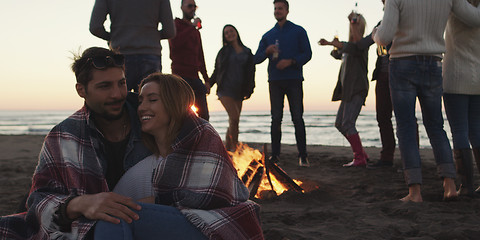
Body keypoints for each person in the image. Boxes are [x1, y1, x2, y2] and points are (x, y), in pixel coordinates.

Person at [0, 47, 151, 239]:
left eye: (121, 83)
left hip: (150, 219)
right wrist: (80, 204)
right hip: (90, 227)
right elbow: (37, 201)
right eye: (105, 86)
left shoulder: (153, 118)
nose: (117, 94)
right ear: (81, 90)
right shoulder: (63, 135)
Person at [94, 73, 264, 239]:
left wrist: (154, 201)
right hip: (178, 222)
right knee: (112, 217)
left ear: (173, 103)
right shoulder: (146, 165)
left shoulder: (201, 134)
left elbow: (214, 196)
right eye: (140, 101)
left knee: (113, 220)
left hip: (214, 224)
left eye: (152, 100)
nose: (142, 107)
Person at [374, 0, 480, 202]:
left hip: (403, 62)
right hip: (433, 63)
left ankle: (415, 191)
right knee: (435, 126)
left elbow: (384, 37)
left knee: (405, 126)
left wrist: (375, 34)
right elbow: (475, 18)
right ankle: (449, 185)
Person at [254, 0, 312, 167]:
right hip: (275, 81)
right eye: (275, 8)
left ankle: (303, 156)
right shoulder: (268, 35)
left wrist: (291, 61)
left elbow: (308, 54)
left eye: (280, 8)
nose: (277, 11)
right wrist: (266, 51)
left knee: (297, 118)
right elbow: (256, 59)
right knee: (276, 119)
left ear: (287, 10)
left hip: (294, 80)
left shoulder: (298, 31)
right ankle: (275, 156)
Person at [319, 12, 370, 167]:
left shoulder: (360, 46)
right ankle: (361, 154)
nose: (352, 26)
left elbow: (349, 47)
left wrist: (332, 43)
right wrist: (334, 45)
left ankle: (359, 157)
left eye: (354, 24)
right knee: (340, 124)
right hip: (348, 91)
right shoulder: (348, 47)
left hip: (357, 89)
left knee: (348, 123)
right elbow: (336, 53)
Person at [90, 0, 175, 92]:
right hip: (150, 54)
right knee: (150, 99)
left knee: (120, 100)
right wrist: (151, 36)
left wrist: (113, 37)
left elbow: (95, 27)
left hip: (121, 55)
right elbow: (169, 31)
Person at [443, 0, 480, 197]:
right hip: (478, 78)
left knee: (459, 130)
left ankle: (466, 185)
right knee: (476, 129)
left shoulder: (455, 5)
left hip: (455, 76)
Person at [210, 24, 256, 151]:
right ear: (224, 37)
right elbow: (216, 71)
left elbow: (251, 72)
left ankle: (227, 150)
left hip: (239, 91)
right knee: (234, 117)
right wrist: (209, 84)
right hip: (225, 89)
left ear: (236, 32)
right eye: (226, 33)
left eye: (231, 31)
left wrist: (250, 89)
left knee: (234, 121)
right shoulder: (223, 52)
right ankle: (234, 150)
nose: (229, 34)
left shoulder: (247, 51)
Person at [169, 0, 210, 121]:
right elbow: (176, 44)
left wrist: (206, 79)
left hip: (195, 77)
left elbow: (200, 56)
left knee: (204, 116)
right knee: (181, 115)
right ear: (182, 7)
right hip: (180, 76)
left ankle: (203, 139)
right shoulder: (175, 24)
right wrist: (192, 27)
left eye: (194, 6)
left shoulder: (195, 31)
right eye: (189, 6)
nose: (193, 9)